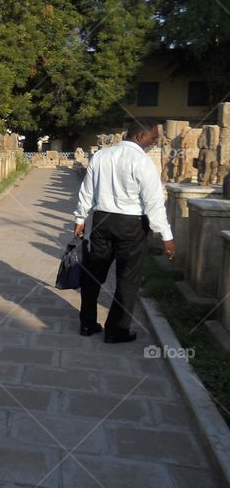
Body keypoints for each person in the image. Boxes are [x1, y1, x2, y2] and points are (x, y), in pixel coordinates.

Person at [73, 119, 176, 344]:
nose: (154, 142)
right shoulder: (143, 162)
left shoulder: (101, 156)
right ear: (139, 136)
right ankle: (116, 331)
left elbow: (87, 191)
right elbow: (154, 203)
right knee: (128, 279)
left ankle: (87, 323)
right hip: (132, 225)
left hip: (102, 221)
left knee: (94, 274)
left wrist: (80, 218)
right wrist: (166, 236)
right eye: (153, 137)